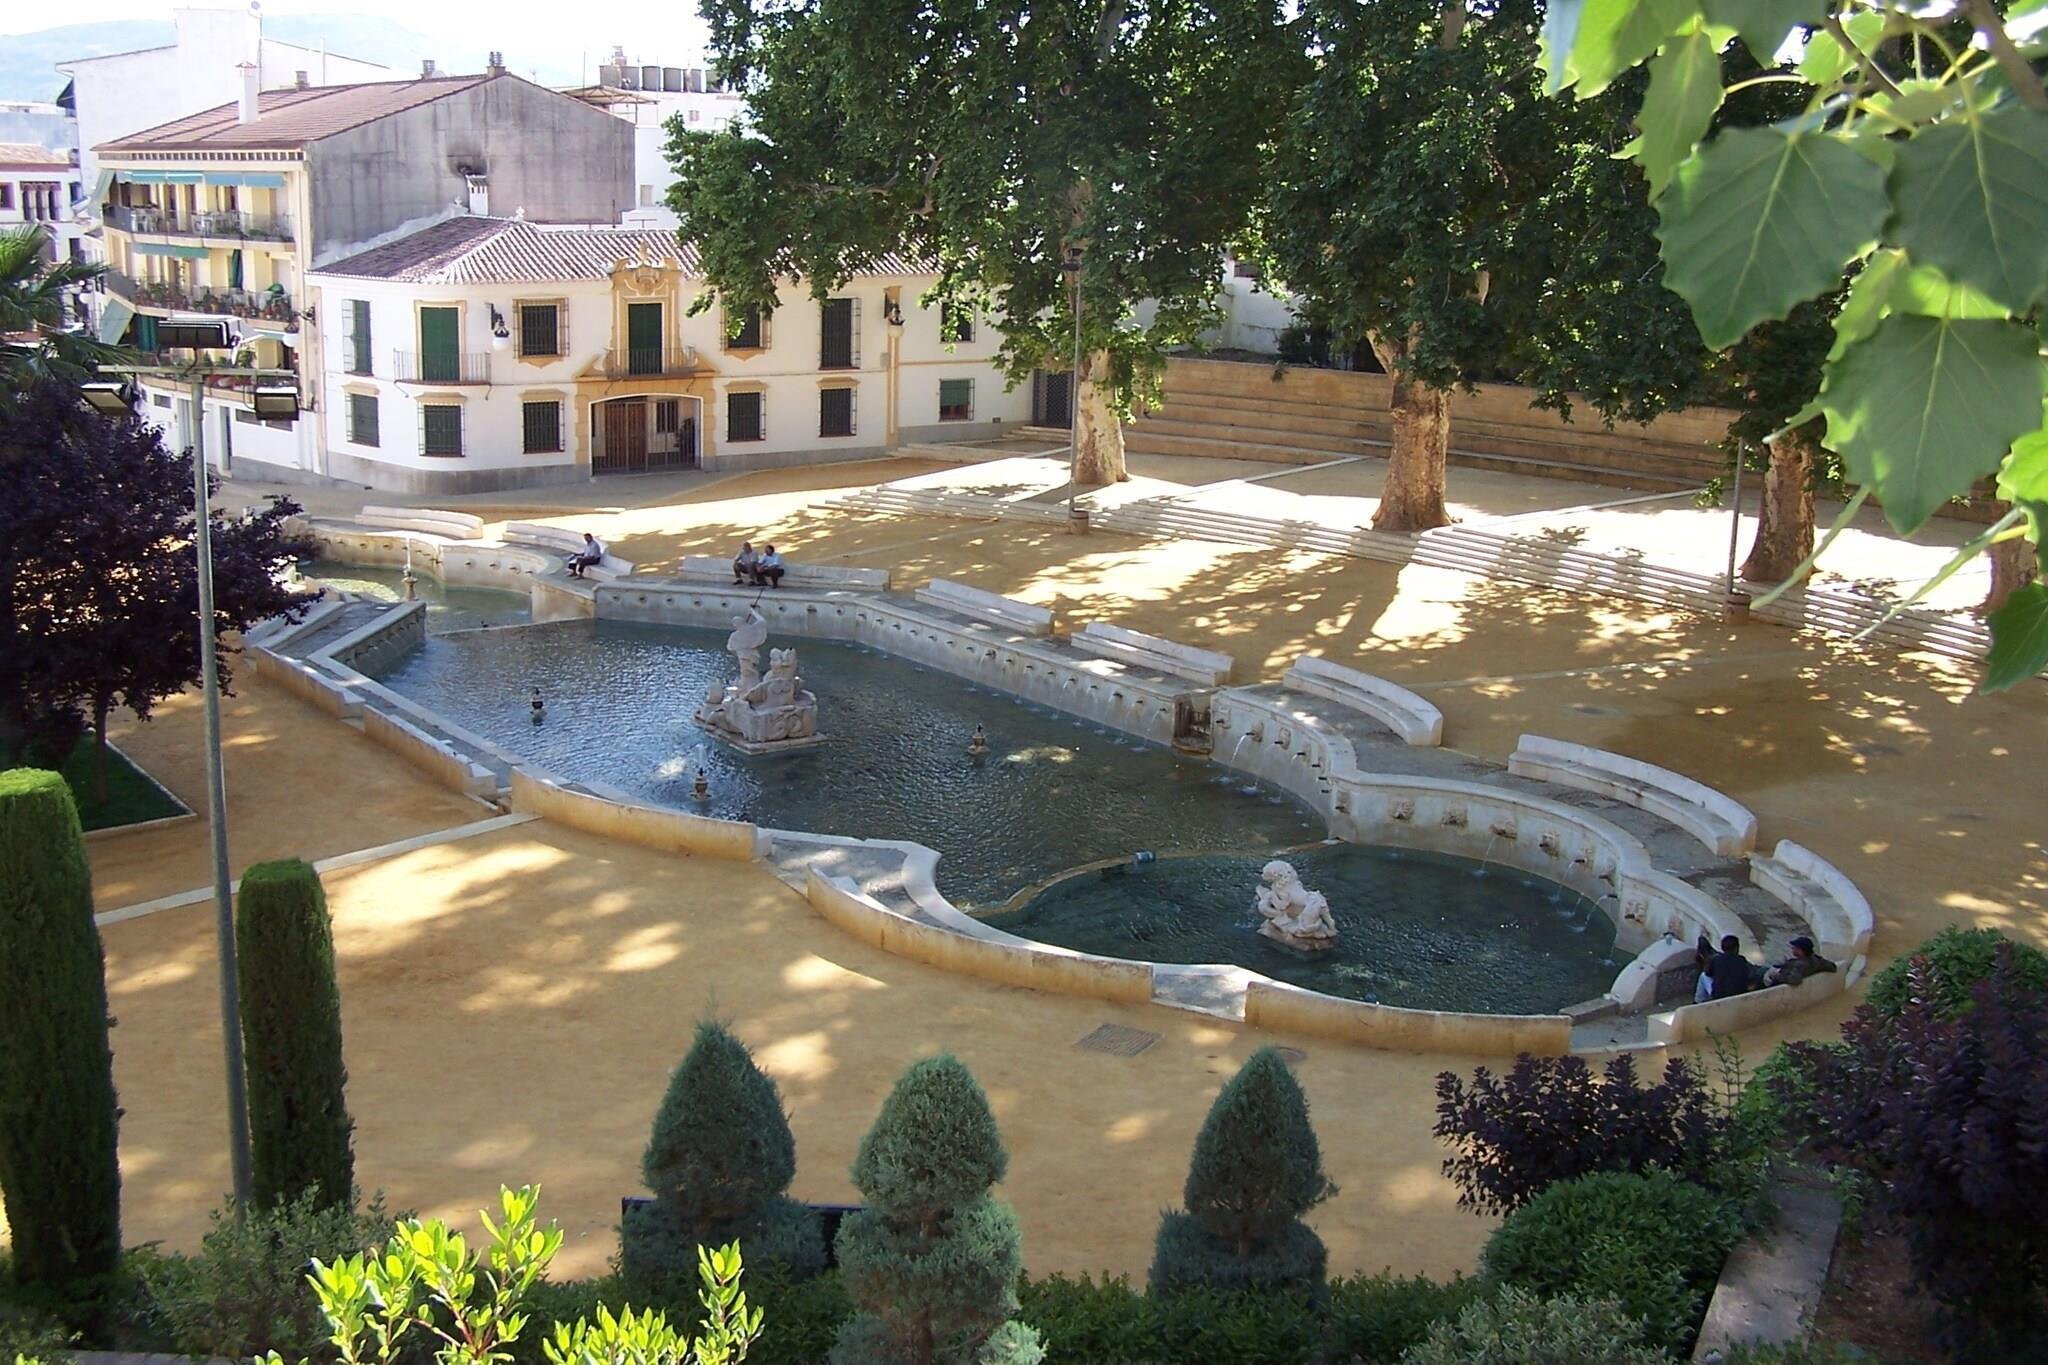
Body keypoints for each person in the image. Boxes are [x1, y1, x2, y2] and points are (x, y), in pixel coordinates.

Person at [1765, 936, 1838, 988]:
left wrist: (1777, 975)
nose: (1792, 949)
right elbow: (1833, 967)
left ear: (1800, 950)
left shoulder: (1800, 965)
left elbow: (1794, 980)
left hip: (1772, 979)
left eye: (1794, 948)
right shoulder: (1816, 959)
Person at [1703, 934, 1753, 1001]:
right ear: (1737, 948)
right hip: (1740, 994)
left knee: (1703, 976)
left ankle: (1698, 1001)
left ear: (1722, 948)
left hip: (1719, 997)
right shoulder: (1742, 960)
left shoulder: (1716, 959)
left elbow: (1708, 973)